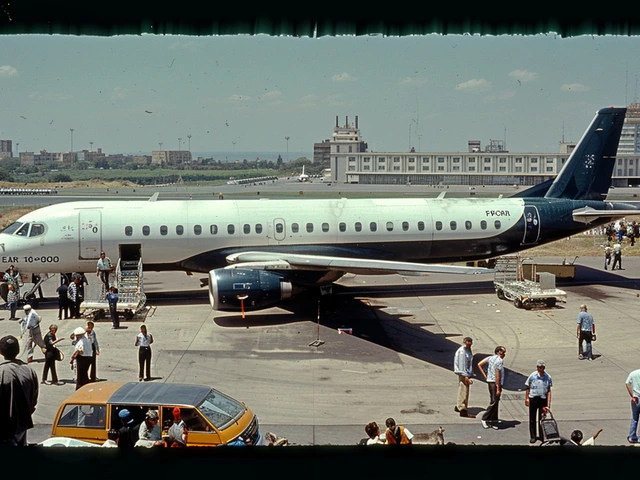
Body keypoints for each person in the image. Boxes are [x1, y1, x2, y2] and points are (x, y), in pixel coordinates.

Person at [0, 335, 39, 446]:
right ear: (18, 350)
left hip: (4, 431)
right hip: (22, 426)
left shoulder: (1, 371)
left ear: (1, 352)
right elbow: (33, 401)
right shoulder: (29, 370)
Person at [524, 359, 553, 444]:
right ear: (537, 367)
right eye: (539, 367)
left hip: (542, 399)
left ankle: (542, 435)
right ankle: (533, 436)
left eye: (542, 367)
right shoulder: (532, 376)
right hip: (533, 398)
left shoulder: (548, 377)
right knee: (532, 419)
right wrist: (527, 398)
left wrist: (548, 404)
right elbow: (527, 387)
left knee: (542, 419)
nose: (540, 369)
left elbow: (549, 391)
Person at [478, 345, 506, 429]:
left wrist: (485, 376)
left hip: (490, 381)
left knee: (495, 400)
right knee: (494, 401)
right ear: (499, 352)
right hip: (495, 382)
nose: (504, 354)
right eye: (503, 352)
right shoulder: (499, 361)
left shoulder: (490, 358)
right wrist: (498, 387)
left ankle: (493, 419)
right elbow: (498, 375)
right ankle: (485, 418)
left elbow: (479, 364)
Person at [453, 336, 475, 418]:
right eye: (468, 344)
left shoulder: (467, 350)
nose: (469, 346)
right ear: (465, 343)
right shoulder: (462, 352)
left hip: (466, 373)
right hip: (463, 374)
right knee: (464, 391)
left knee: (463, 389)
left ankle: (459, 406)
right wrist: (465, 376)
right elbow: (462, 365)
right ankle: (462, 409)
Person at [69, 326, 93, 390]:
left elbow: (80, 351)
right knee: (85, 373)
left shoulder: (81, 342)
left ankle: (80, 387)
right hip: (89, 357)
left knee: (80, 374)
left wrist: (73, 358)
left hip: (82, 358)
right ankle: (86, 386)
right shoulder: (87, 340)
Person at [625, 368, 640, 443]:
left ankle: (632, 436)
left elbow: (627, 383)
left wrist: (632, 395)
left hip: (636, 398)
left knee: (634, 418)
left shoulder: (633, 373)